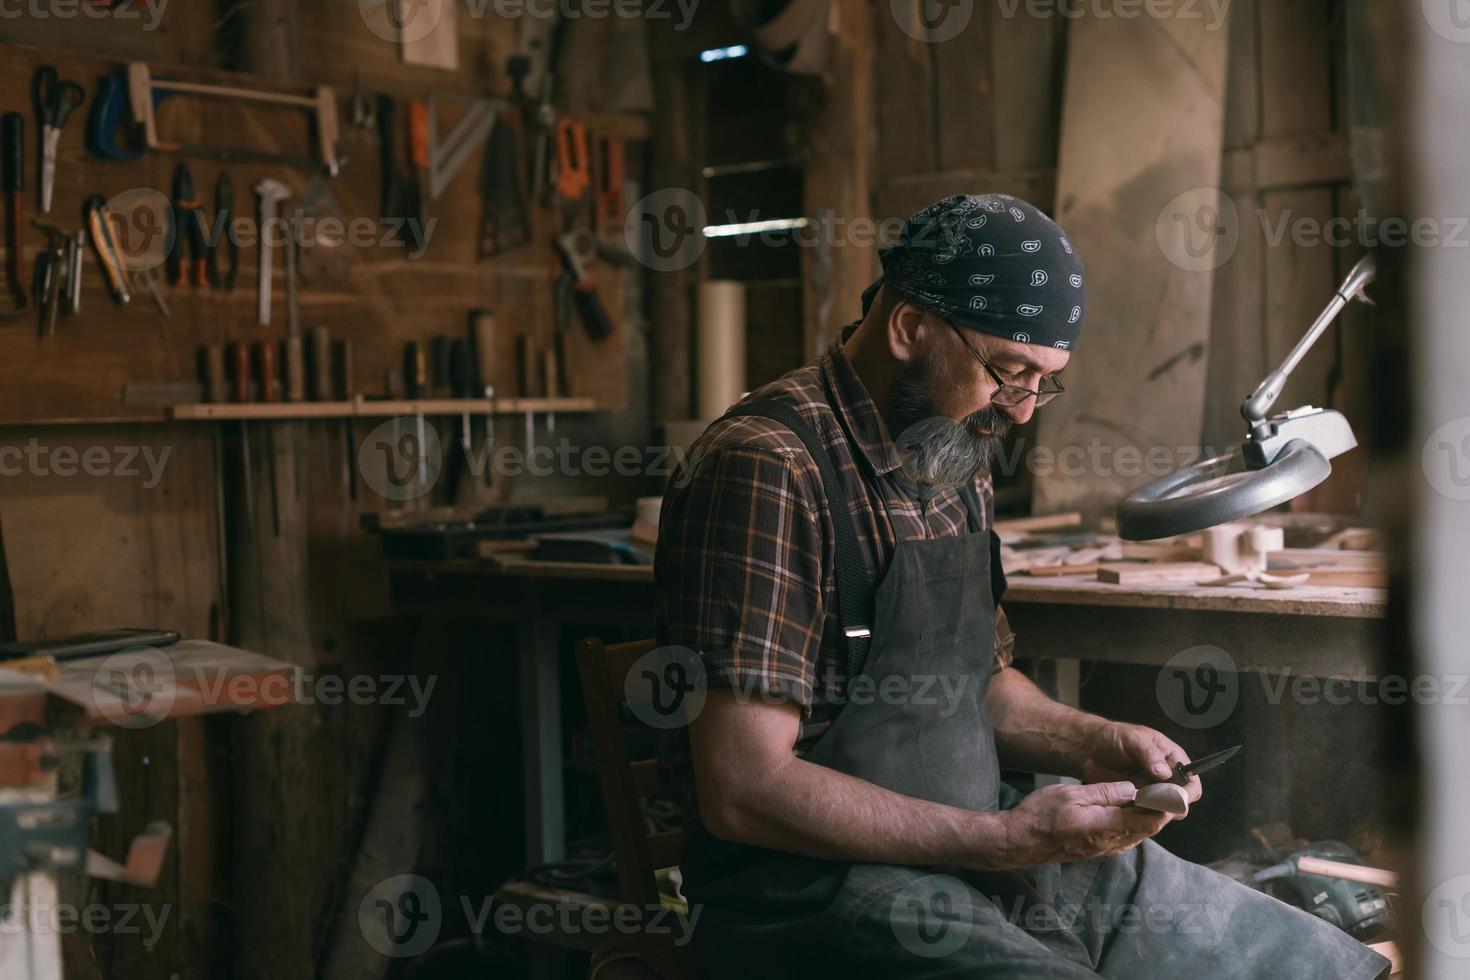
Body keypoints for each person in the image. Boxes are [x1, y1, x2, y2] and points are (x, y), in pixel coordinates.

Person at [652, 194, 1388, 978]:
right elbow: (743, 788)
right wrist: (1007, 841)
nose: (1025, 410)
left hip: (975, 845)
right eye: (1010, 372)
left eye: (1045, 382)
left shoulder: (948, 445)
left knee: (1302, 964)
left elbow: (981, 686)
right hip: (806, 888)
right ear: (910, 329)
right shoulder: (767, 466)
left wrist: (1090, 739)